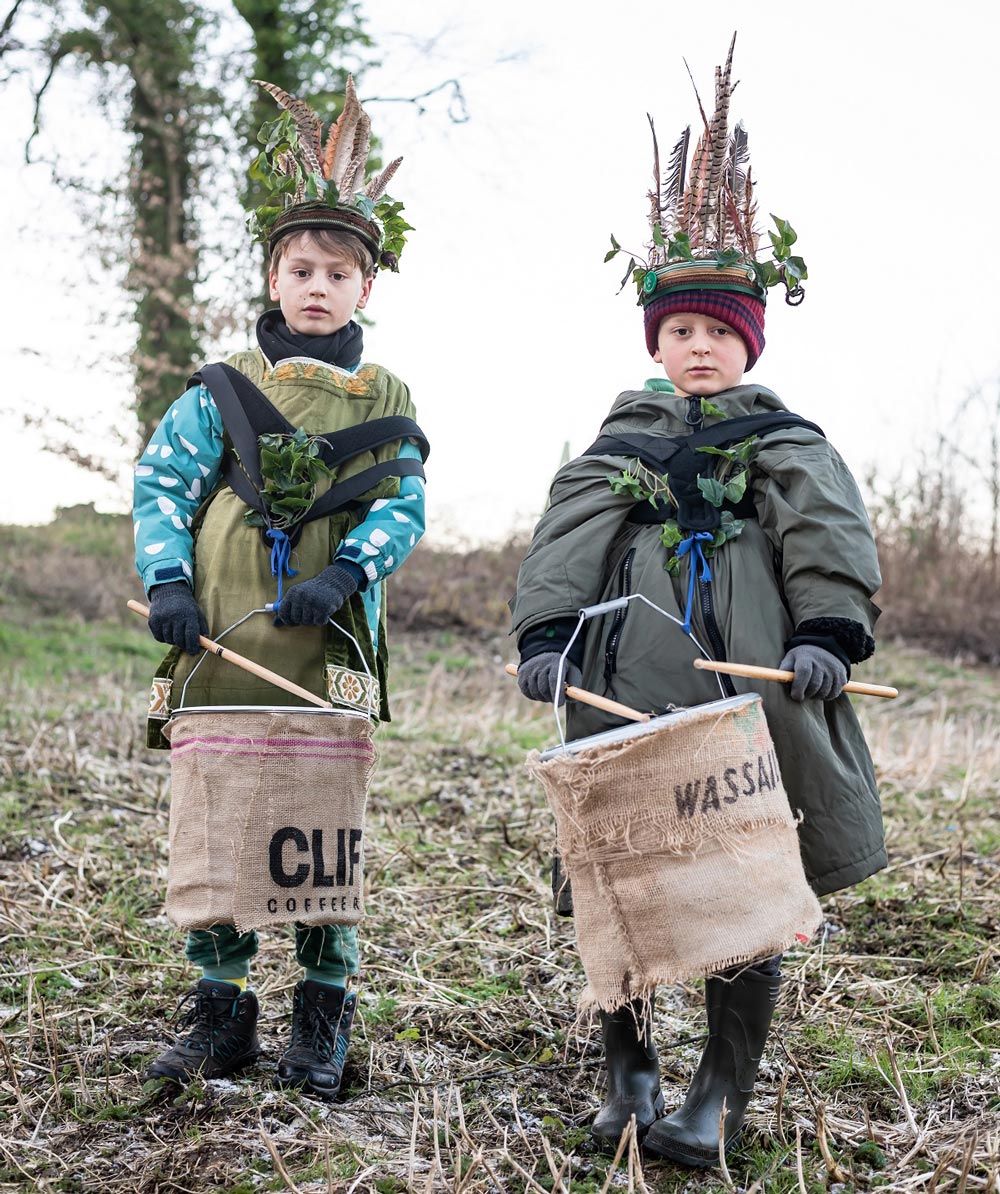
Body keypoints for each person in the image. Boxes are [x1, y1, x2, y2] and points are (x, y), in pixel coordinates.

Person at [510, 38, 884, 1168]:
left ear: (748, 341)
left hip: (746, 703)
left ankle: (716, 1094)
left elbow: (827, 532)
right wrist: (543, 637)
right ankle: (629, 1073)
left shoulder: (786, 441)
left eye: (718, 332)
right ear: (656, 343)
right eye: (680, 332)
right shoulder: (619, 440)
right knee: (617, 873)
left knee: (741, 882)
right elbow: (567, 535)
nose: (699, 350)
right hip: (623, 693)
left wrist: (825, 635)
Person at [133, 77, 427, 1101]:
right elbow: (162, 487)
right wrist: (168, 585)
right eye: (299, 267)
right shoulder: (218, 386)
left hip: (323, 649)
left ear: (365, 289)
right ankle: (220, 1011)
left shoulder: (384, 394)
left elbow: (402, 500)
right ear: (271, 274)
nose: (316, 286)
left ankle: (321, 1008)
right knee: (216, 822)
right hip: (220, 637)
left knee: (318, 827)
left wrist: (351, 569)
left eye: (336, 273)